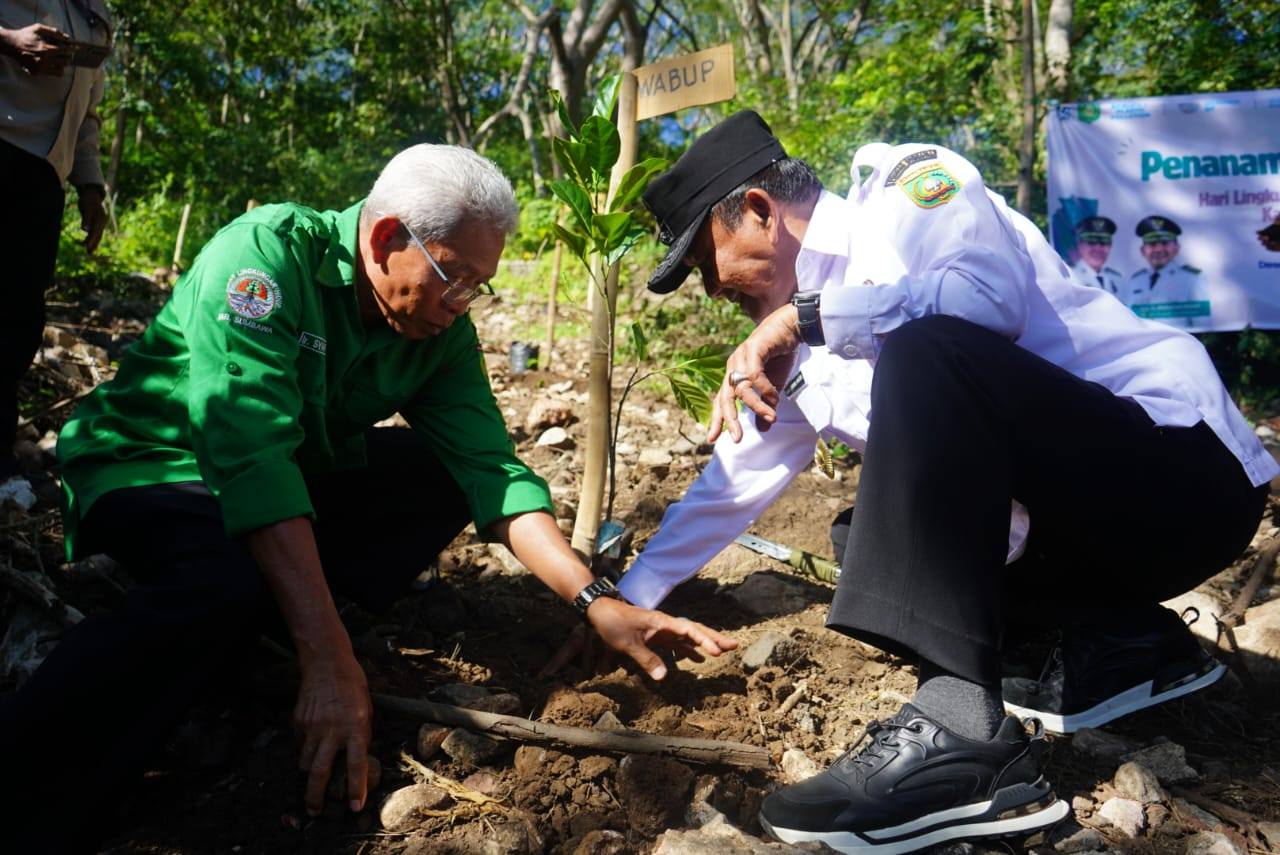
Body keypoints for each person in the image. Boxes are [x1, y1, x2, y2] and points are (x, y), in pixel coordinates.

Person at [0, 144, 736, 852]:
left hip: (287, 475)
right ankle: (29, 793)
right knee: (221, 582)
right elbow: (249, 451)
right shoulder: (263, 257)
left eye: (480, 285)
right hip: (154, 465)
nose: (462, 304)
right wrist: (327, 655)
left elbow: (490, 468)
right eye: (455, 279)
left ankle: (277, 610)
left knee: (434, 469)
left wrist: (594, 599)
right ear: (387, 238)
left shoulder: (437, 328)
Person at [618, 111, 1273, 853]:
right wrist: (625, 600)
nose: (708, 292)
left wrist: (807, 318)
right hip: (1096, 531)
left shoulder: (906, 191)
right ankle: (1120, 642)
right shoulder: (805, 335)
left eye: (705, 264)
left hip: (1185, 473)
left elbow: (986, 302)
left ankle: (963, 735)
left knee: (928, 351)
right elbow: (737, 476)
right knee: (868, 535)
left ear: (760, 213)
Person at [1, 0, 111, 483]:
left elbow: (88, 112)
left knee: (17, 318)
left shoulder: (96, 12)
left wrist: (90, 186)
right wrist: (9, 40)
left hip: (45, 176)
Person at [1125, 215, 1210, 328]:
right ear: (1143, 250)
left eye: (1165, 243)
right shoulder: (1136, 281)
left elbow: (1202, 325)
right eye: (1152, 244)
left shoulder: (1192, 278)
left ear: (1177, 248)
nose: (1159, 249)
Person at [1069, 215, 1124, 299]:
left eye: (1104, 241)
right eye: (1091, 241)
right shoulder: (1070, 278)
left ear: (1110, 246)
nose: (1098, 248)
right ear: (1079, 245)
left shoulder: (1117, 280)